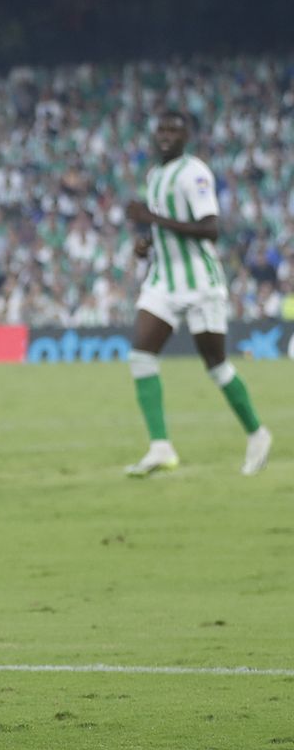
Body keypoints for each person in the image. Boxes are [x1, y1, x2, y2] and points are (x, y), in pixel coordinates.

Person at [122, 110, 271, 477]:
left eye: (174, 129)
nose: (166, 135)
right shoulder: (155, 175)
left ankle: (257, 433)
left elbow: (210, 230)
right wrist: (147, 244)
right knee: (141, 355)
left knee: (216, 365)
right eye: (161, 128)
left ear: (187, 135)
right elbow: (168, 231)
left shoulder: (195, 173)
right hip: (163, 281)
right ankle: (161, 447)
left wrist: (152, 220)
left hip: (200, 284)